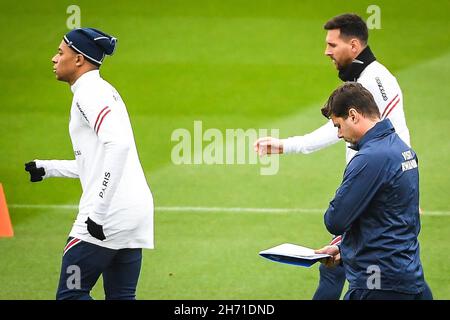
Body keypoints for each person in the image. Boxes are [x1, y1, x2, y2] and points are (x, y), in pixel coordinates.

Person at [253, 13, 411, 299]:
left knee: (359, 269)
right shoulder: (362, 80)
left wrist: (401, 187)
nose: (326, 51)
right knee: (383, 271)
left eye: (332, 45)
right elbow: (336, 127)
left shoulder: (375, 80)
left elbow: (397, 137)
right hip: (375, 190)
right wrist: (287, 145)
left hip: (375, 193)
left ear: (353, 46)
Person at [24, 28, 154, 300]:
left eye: (61, 52)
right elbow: (97, 161)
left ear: (79, 59)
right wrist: (49, 168)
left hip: (107, 217)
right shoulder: (102, 90)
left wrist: (98, 212)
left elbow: (119, 147)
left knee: (70, 295)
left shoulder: (90, 94)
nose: (54, 59)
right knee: (121, 298)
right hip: (133, 214)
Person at [313, 82, 432, 300]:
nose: (339, 134)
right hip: (408, 276)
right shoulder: (402, 150)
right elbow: (393, 218)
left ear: (353, 115)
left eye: (338, 125)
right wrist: (343, 247)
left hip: (376, 283)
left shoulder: (371, 158)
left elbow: (335, 220)